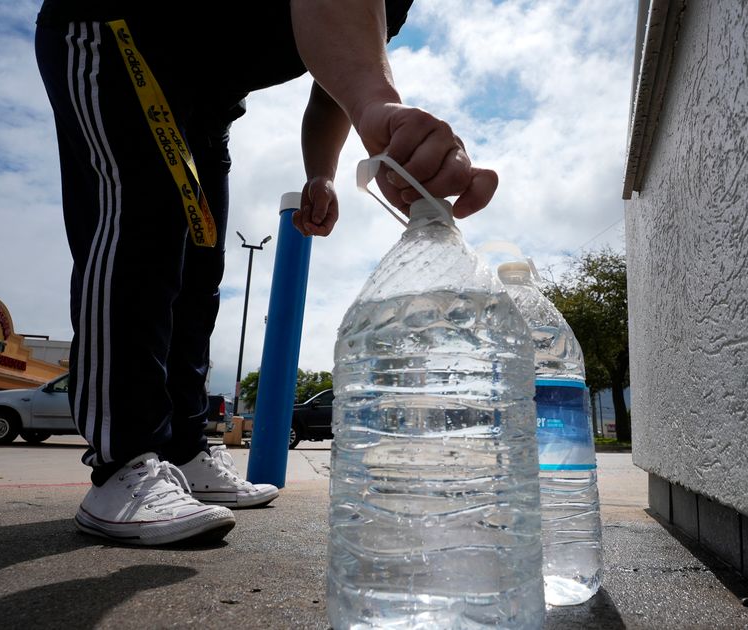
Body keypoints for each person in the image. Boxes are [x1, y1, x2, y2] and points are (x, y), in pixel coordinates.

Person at [33, 0, 499, 546]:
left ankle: (183, 450)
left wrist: (321, 173)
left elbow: (332, 88)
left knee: (199, 269)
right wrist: (379, 101)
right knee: (141, 239)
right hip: (119, 34)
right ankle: (123, 461)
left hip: (207, 105)